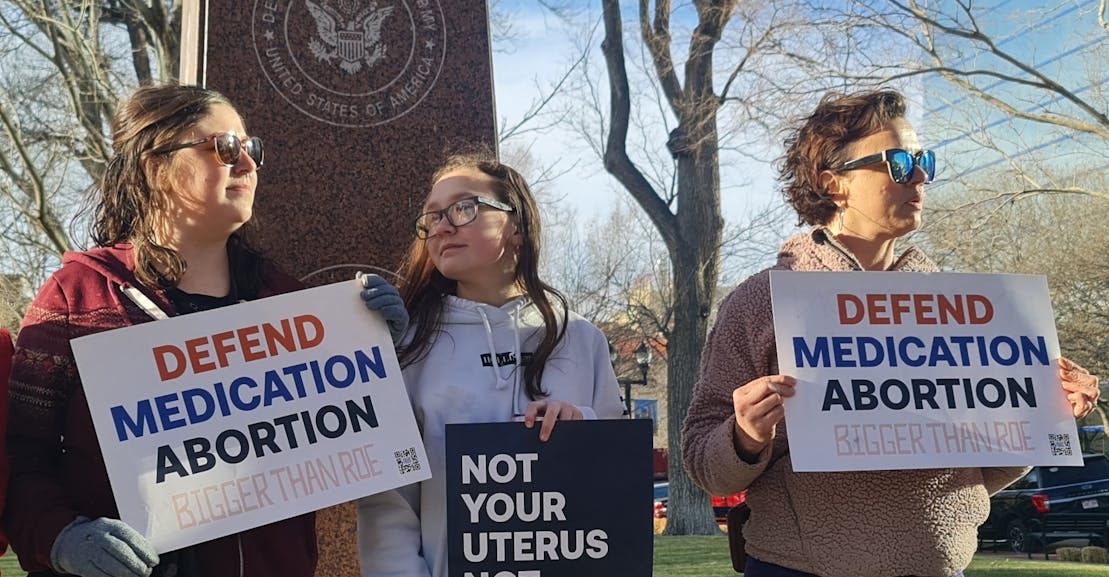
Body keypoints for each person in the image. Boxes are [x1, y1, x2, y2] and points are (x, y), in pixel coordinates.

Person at [681, 89, 1102, 577]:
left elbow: (985, 471)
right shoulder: (760, 303)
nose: (920, 175)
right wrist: (745, 436)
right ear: (832, 183)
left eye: (924, 160)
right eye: (899, 162)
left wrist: (1045, 413)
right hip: (796, 568)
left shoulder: (966, 310)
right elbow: (703, 462)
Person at [3, 83, 406, 577]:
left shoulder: (290, 305)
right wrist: (60, 537)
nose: (249, 164)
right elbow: (20, 453)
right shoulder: (77, 296)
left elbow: (362, 451)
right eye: (225, 148)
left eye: (251, 148)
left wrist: (386, 355)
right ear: (155, 167)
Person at [355, 152, 626, 577]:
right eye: (432, 217)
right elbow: (390, 500)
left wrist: (581, 424)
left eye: (464, 208)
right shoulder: (409, 344)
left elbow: (618, 477)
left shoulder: (582, 338)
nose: (442, 226)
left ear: (516, 226)